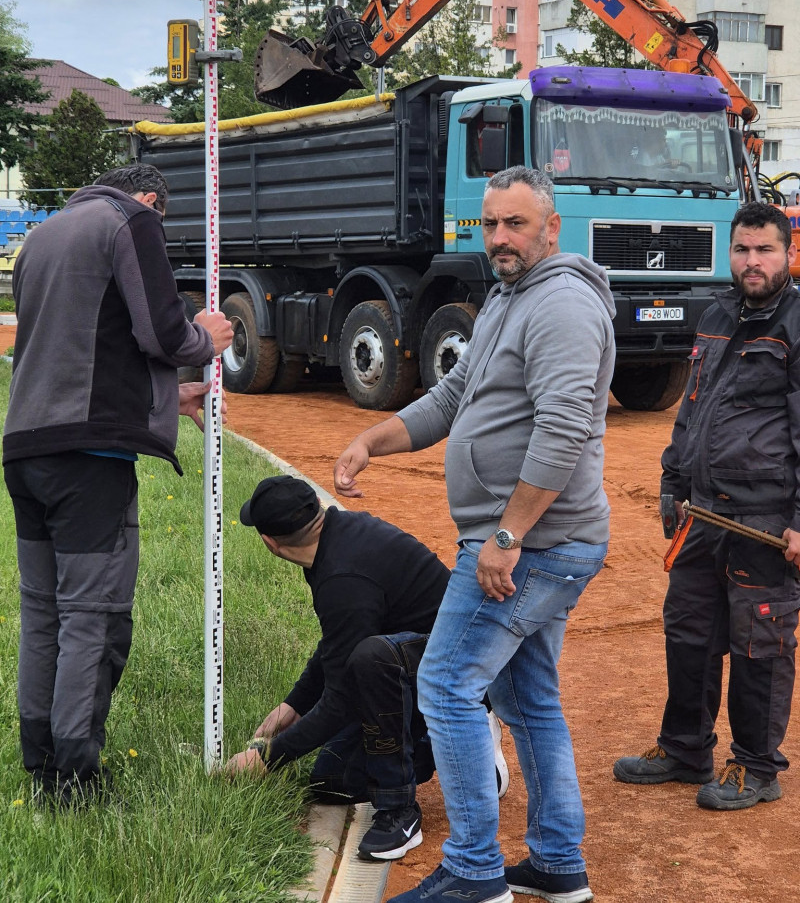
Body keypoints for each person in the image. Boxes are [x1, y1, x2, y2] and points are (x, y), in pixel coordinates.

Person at [334, 165, 616, 903]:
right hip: (528, 542)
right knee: (528, 701)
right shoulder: (506, 297)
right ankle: (557, 865)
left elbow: (560, 432)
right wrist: (375, 438)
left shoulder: (560, 306)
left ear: (551, 228)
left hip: (534, 546)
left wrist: (508, 535)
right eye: (490, 223)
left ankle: (472, 872)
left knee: (447, 684)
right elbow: (456, 396)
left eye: (515, 223)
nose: (499, 237)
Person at [3, 163, 234, 806]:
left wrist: (167, 401)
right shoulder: (130, 221)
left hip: (26, 450)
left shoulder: (43, 237)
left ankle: (41, 761)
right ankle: (76, 775)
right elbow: (159, 332)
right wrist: (205, 340)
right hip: (90, 460)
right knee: (91, 617)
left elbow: (84, 347)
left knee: (43, 611)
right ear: (151, 199)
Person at [614, 200, 800, 810]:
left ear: (787, 253)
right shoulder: (717, 313)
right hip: (702, 513)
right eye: (742, 249)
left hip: (764, 518)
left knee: (758, 642)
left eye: (764, 250)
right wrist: (672, 481)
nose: (752, 261)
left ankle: (756, 767)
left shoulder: (796, 324)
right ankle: (686, 748)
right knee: (688, 630)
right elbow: (692, 405)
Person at [225, 474, 508, 861]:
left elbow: (341, 697)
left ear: (270, 542)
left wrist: (267, 757)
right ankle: (459, 740)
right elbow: (338, 645)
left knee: (371, 658)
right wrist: (295, 704)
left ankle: (404, 804)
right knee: (334, 781)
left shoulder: (342, 576)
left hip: (452, 674)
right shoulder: (339, 536)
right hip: (413, 665)